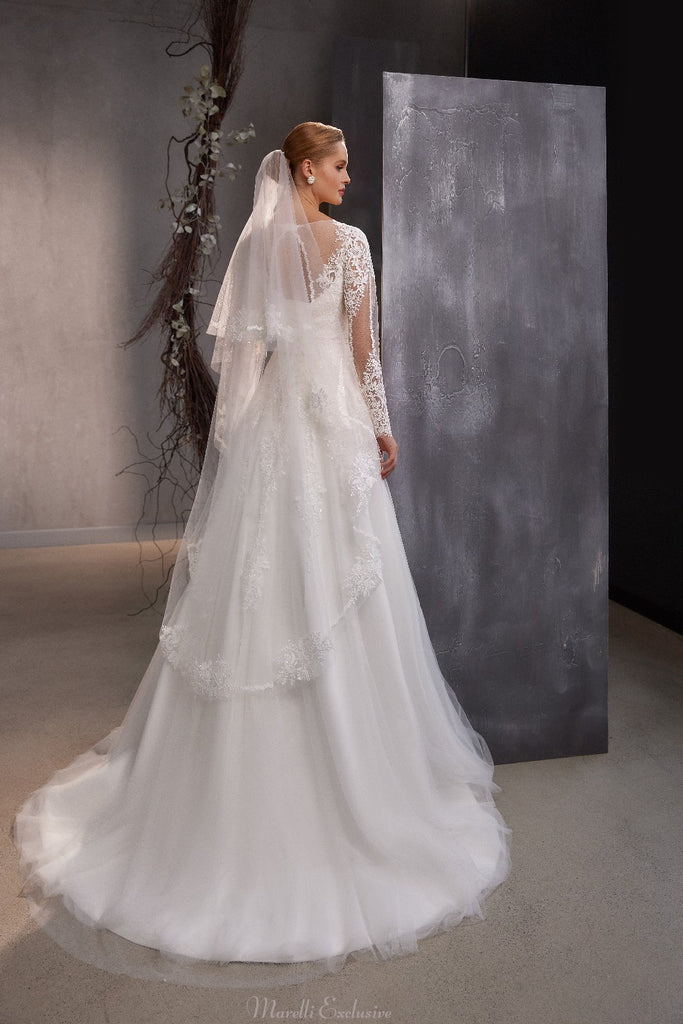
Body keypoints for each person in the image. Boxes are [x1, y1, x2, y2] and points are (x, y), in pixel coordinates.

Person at [13, 122, 511, 988]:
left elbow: (245, 356)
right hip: (333, 426)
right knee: (341, 579)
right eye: (339, 166)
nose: (349, 177)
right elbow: (363, 351)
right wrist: (381, 428)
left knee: (259, 585)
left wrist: (242, 445)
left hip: (280, 427)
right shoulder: (350, 245)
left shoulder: (263, 245)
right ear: (306, 171)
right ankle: (353, 783)